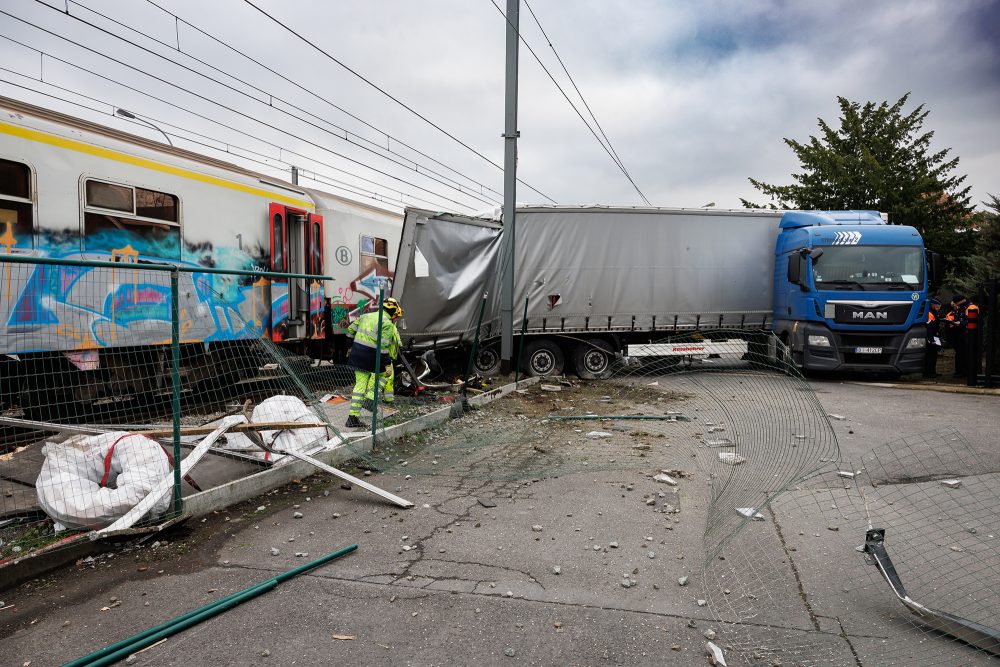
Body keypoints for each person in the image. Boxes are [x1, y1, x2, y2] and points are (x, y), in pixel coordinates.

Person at [344, 297, 403, 428]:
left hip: (357, 354)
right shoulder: (387, 323)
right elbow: (383, 348)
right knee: (384, 375)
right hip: (371, 357)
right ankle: (370, 398)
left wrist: (350, 346)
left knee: (359, 386)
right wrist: (387, 365)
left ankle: (352, 418)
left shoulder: (366, 316)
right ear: (393, 311)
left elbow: (350, 330)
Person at [923, 298, 942, 378]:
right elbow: (929, 328)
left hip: (935, 336)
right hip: (931, 338)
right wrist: (931, 339)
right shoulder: (929, 313)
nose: (938, 309)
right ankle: (928, 372)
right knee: (930, 356)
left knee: (934, 356)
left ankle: (933, 371)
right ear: (933, 305)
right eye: (937, 307)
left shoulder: (934, 312)